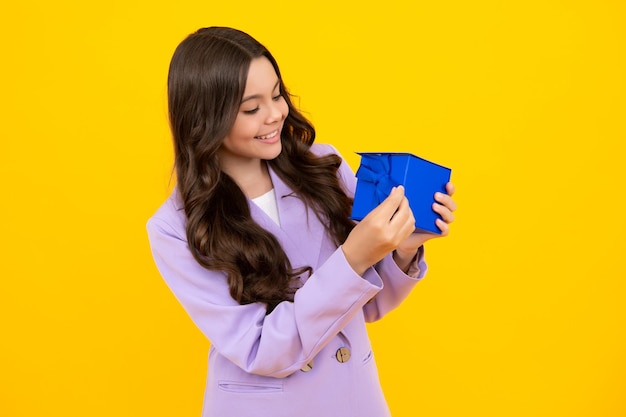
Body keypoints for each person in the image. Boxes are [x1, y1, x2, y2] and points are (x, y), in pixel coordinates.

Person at [147, 26, 457, 417]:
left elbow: (364, 307)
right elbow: (259, 348)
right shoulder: (176, 228)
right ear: (205, 118)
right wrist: (352, 259)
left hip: (353, 399)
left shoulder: (321, 166)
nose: (276, 114)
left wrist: (405, 247)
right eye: (251, 108)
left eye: (276, 94)